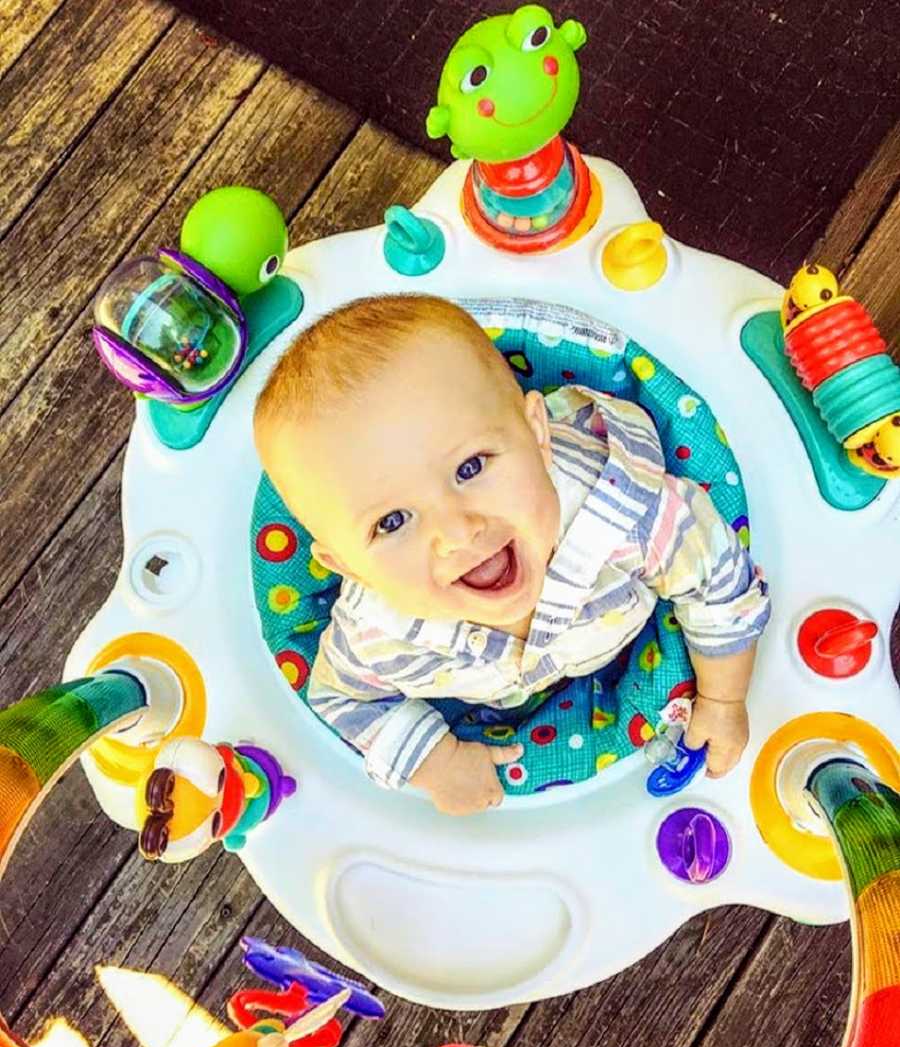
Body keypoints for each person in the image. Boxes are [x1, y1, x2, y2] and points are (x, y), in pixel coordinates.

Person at [254, 295, 770, 815]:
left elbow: (719, 580)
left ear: (537, 435)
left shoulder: (624, 510)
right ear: (347, 566)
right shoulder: (374, 634)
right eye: (392, 522)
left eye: (471, 467)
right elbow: (342, 699)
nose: (457, 531)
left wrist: (723, 701)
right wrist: (437, 759)